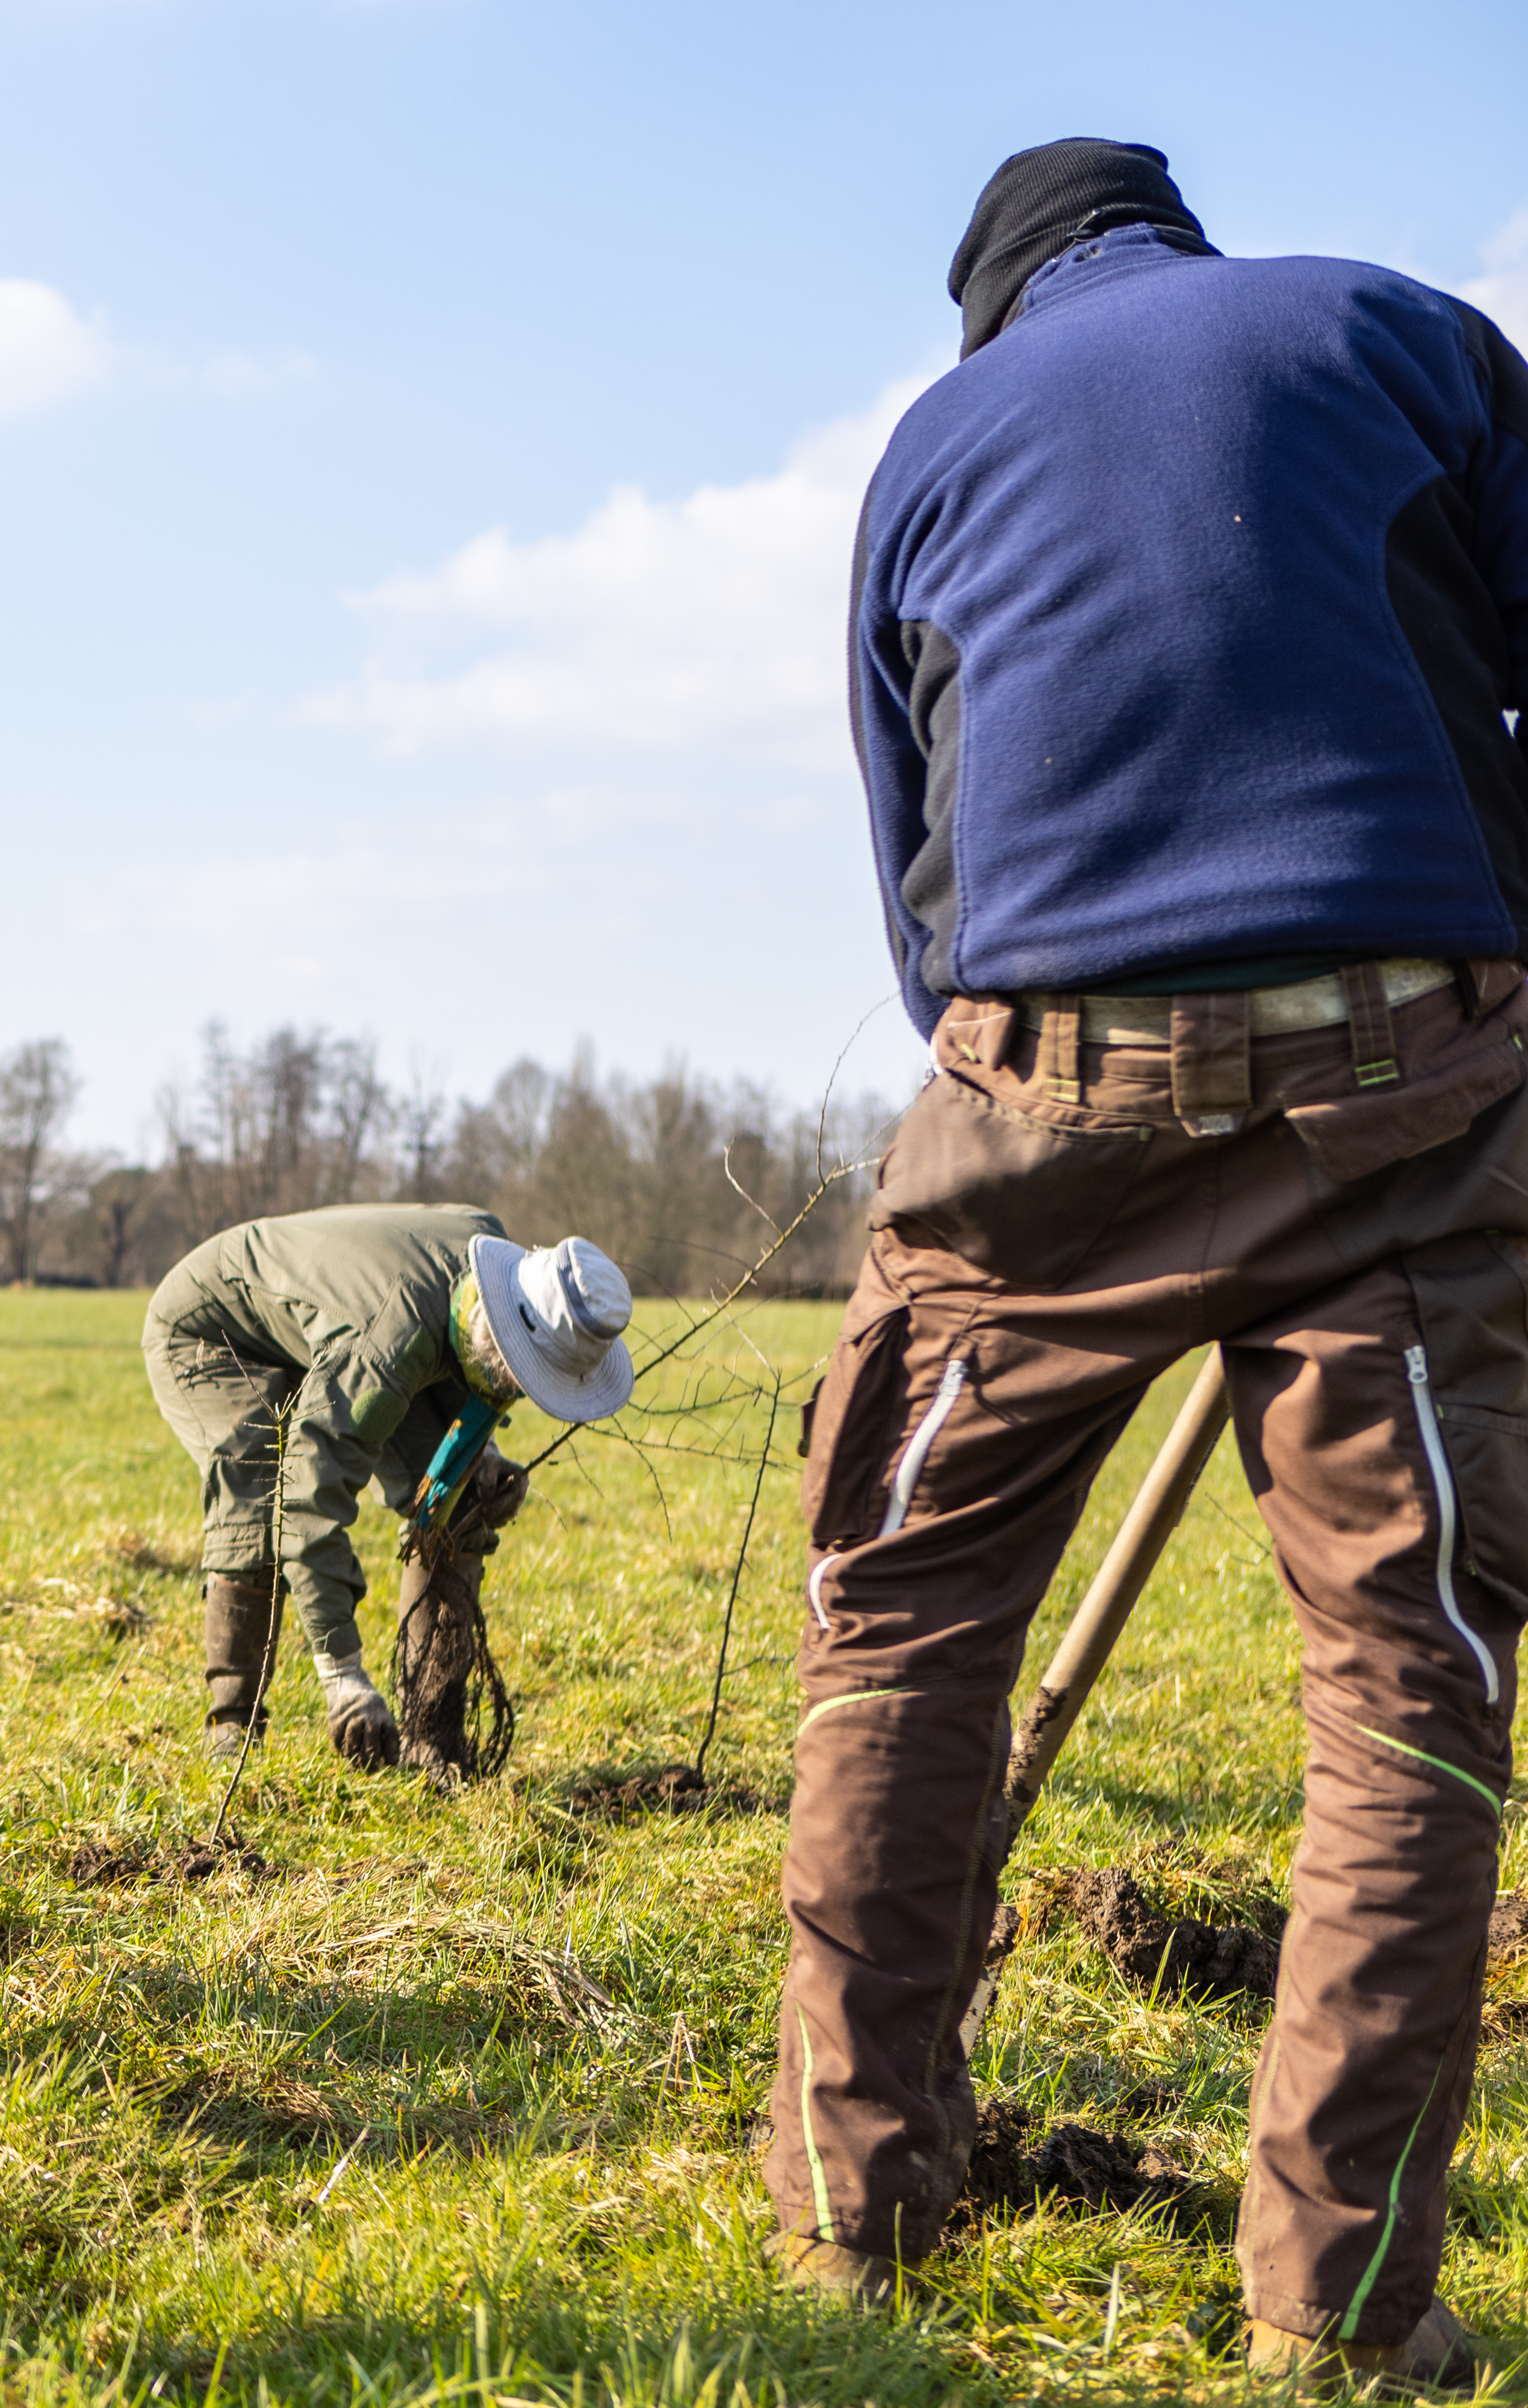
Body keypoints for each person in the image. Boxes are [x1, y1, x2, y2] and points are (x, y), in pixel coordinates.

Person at [768, 140, 1528, 2387]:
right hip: (1411, 1069)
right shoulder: (1398, 330)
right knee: (1407, 1669)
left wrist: (1060, 1077)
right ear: (1173, 243)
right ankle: (1334, 2305)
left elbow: (917, 859)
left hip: (1040, 1096)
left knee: (897, 1614)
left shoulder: (930, 443)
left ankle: (848, 2218)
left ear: (991, 304)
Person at [144, 1206, 636, 1769]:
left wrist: (482, 1460)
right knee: (263, 1493)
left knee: (462, 1502)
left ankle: (432, 1740)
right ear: (499, 1332)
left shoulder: (503, 1279)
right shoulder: (385, 1343)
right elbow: (309, 1498)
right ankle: (231, 1730)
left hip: (346, 1334)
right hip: (214, 1330)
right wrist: (344, 1679)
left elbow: (466, 1366)